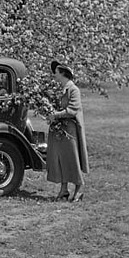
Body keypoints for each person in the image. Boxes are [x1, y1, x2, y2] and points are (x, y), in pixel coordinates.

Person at [46, 61, 89, 202]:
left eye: (56, 72)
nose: (54, 75)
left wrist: (55, 115)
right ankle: (64, 190)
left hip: (70, 129)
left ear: (63, 73)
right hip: (60, 130)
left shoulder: (73, 89)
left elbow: (72, 110)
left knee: (72, 158)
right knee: (60, 159)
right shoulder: (61, 89)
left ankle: (79, 186)